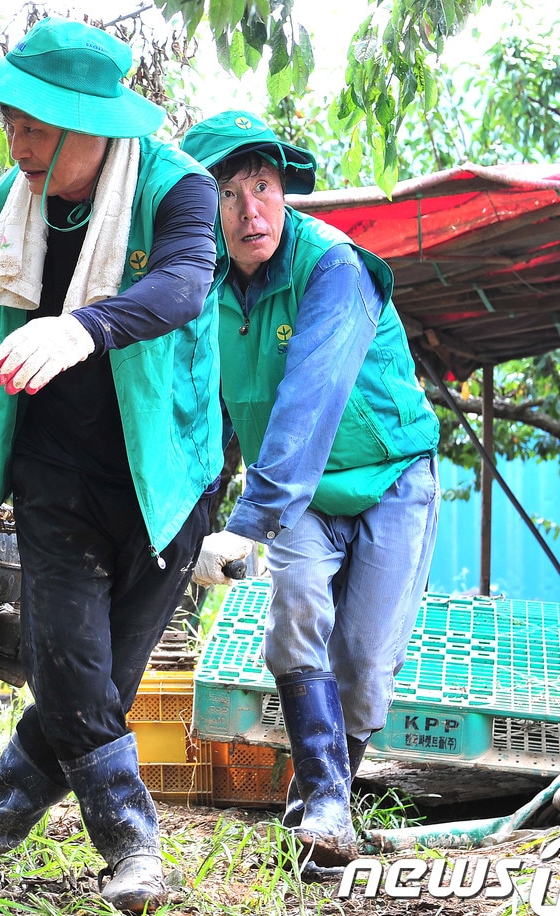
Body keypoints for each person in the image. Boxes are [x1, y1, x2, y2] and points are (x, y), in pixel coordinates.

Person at [0, 19, 223, 913]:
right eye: (10, 121)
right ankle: (134, 850)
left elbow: (185, 284)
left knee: (93, 688)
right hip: (55, 474)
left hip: (169, 471)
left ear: (92, 128)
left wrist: (84, 326)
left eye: (34, 125)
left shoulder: (180, 188)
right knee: (67, 666)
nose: (16, 143)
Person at [180, 111, 441, 868]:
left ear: (285, 190)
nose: (250, 210)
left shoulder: (335, 267)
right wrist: (192, 515)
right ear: (206, 209)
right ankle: (327, 803)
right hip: (293, 495)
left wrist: (248, 518)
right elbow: (203, 410)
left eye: (262, 186)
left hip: (390, 478)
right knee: (296, 613)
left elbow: (310, 398)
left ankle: (320, 795)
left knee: (364, 662)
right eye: (228, 195)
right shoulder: (201, 287)